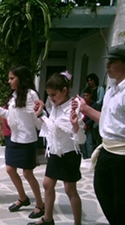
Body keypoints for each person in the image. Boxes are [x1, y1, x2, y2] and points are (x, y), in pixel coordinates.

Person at [73, 43, 125, 225]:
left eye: (112, 62)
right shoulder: (112, 90)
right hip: (107, 151)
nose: (107, 66)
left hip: (122, 156)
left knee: (121, 203)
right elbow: (106, 120)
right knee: (103, 193)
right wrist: (85, 108)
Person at [28, 71, 86, 225]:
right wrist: (41, 114)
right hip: (55, 152)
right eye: (49, 95)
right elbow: (49, 127)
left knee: (70, 189)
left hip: (69, 154)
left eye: (54, 94)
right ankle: (48, 218)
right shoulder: (55, 106)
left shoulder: (73, 108)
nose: (51, 98)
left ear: (64, 91)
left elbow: (77, 136)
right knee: (47, 184)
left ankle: (77, 223)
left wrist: (43, 115)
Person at [0, 66, 45, 218]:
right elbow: (12, 115)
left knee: (27, 173)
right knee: (10, 169)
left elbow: (37, 117)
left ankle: (40, 204)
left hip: (27, 140)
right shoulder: (15, 96)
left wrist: (41, 114)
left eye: (12, 78)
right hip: (14, 139)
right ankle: (23, 198)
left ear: (21, 78)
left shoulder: (31, 94)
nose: (9, 81)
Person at [80, 87, 100, 159]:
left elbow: (92, 118)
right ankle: (84, 158)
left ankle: (90, 159)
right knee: (82, 145)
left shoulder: (94, 105)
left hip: (89, 128)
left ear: (90, 95)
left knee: (89, 144)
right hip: (82, 126)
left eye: (87, 95)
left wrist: (87, 124)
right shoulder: (82, 104)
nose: (85, 97)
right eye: (84, 96)